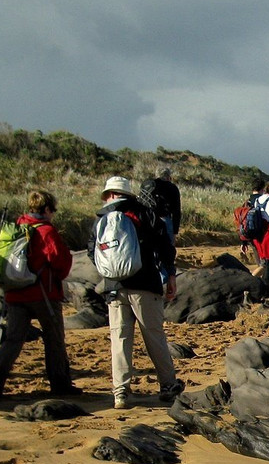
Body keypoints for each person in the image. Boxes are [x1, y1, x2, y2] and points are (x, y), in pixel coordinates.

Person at [92, 175, 183, 410]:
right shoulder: (144, 213)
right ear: (127, 193)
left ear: (109, 194)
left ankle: (120, 392)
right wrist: (170, 275)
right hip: (145, 285)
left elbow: (93, 251)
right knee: (154, 336)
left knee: (120, 339)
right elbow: (165, 247)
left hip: (114, 286)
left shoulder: (101, 219)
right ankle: (168, 385)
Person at [0, 190, 80, 398]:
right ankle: (60, 384)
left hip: (14, 294)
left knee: (12, 341)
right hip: (43, 294)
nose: (53, 214)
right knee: (54, 339)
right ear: (46, 209)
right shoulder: (46, 231)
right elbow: (60, 262)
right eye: (52, 210)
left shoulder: (16, 227)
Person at [140, 166, 182, 244]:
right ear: (169, 177)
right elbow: (176, 211)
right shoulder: (172, 188)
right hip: (164, 220)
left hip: (147, 220)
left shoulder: (149, 185)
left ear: (156, 175)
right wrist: (175, 231)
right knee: (167, 250)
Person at [236, 177, 266, 264]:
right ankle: (258, 276)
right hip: (263, 234)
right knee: (265, 263)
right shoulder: (264, 200)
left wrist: (243, 242)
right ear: (262, 189)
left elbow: (242, 222)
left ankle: (259, 276)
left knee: (259, 261)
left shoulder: (247, 202)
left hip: (250, 235)